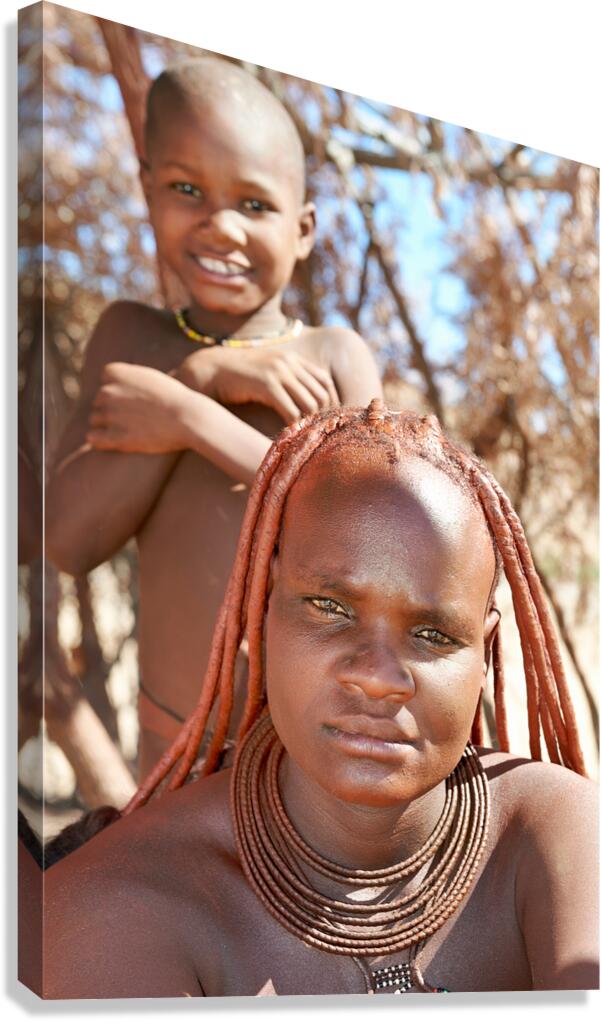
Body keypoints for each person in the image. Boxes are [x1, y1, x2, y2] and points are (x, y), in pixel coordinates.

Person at [42, 402, 598, 998]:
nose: (379, 678)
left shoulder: (555, 840)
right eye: (329, 608)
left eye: (434, 634)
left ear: (483, 656)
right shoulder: (122, 903)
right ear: (262, 612)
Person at [45, 57, 382, 779]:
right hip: (171, 759)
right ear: (147, 191)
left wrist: (191, 417)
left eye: (254, 204)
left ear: (303, 229)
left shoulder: (333, 357)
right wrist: (202, 374)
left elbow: (362, 535)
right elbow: (67, 539)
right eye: (186, 189)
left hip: (310, 768)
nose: (221, 226)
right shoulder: (132, 337)